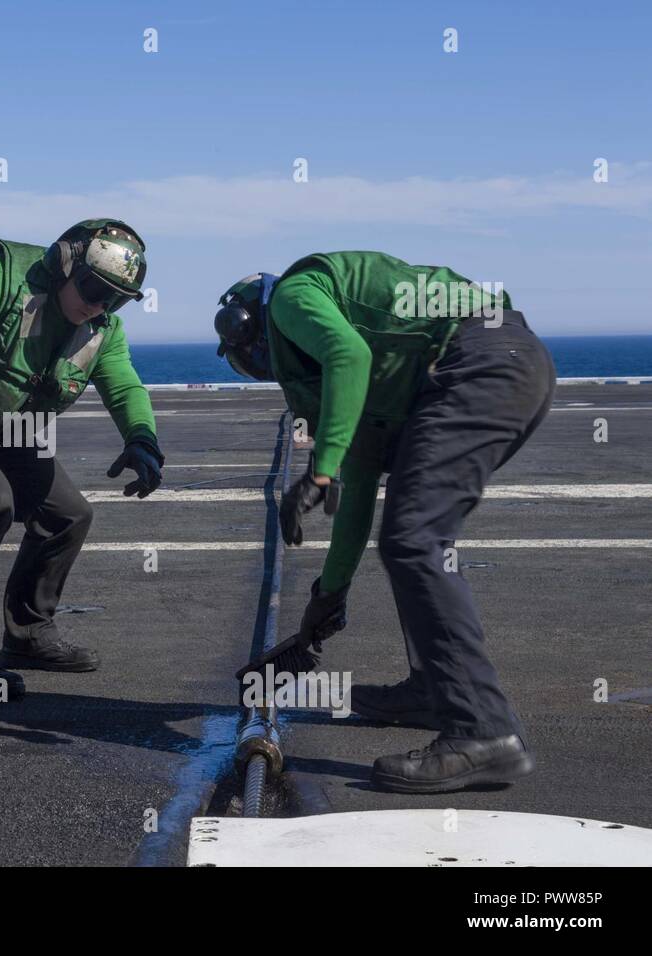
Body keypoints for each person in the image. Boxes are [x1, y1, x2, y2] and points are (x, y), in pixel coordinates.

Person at [215, 252, 556, 793]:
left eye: (256, 359)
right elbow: (356, 492)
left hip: (479, 364)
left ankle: (483, 731)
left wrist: (320, 470)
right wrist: (328, 597)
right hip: (501, 363)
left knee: (415, 538)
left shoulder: (290, 296)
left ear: (251, 327)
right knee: (410, 537)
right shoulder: (376, 373)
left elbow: (345, 354)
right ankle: (434, 690)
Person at [0, 219, 165, 699]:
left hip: (5, 427)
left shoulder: (102, 328)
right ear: (64, 264)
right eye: (92, 288)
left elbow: (123, 385)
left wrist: (143, 439)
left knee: (68, 515)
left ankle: (28, 635)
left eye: (114, 299)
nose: (99, 304)